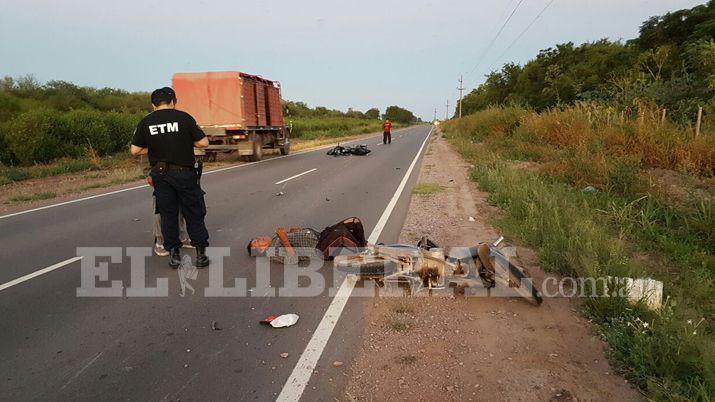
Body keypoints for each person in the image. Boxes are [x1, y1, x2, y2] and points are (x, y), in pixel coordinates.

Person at [130, 87, 210, 268]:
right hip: (184, 174)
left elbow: (135, 150)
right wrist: (183, 141)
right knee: (194, 213)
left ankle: (174, 256)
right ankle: (200, 255)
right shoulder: (184, 117)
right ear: (174, 101)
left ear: (153, 105)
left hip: (160, 176)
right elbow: (203, 143)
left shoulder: (146, 122)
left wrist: (155, 146)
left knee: (168, 215)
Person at [147, 175, 192, 257]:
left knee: (179, 207)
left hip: (177, 174)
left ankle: (181, 237)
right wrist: (150, 175)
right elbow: (147, 162)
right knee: (160, 210)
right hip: (160, 176)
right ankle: (159, 242)